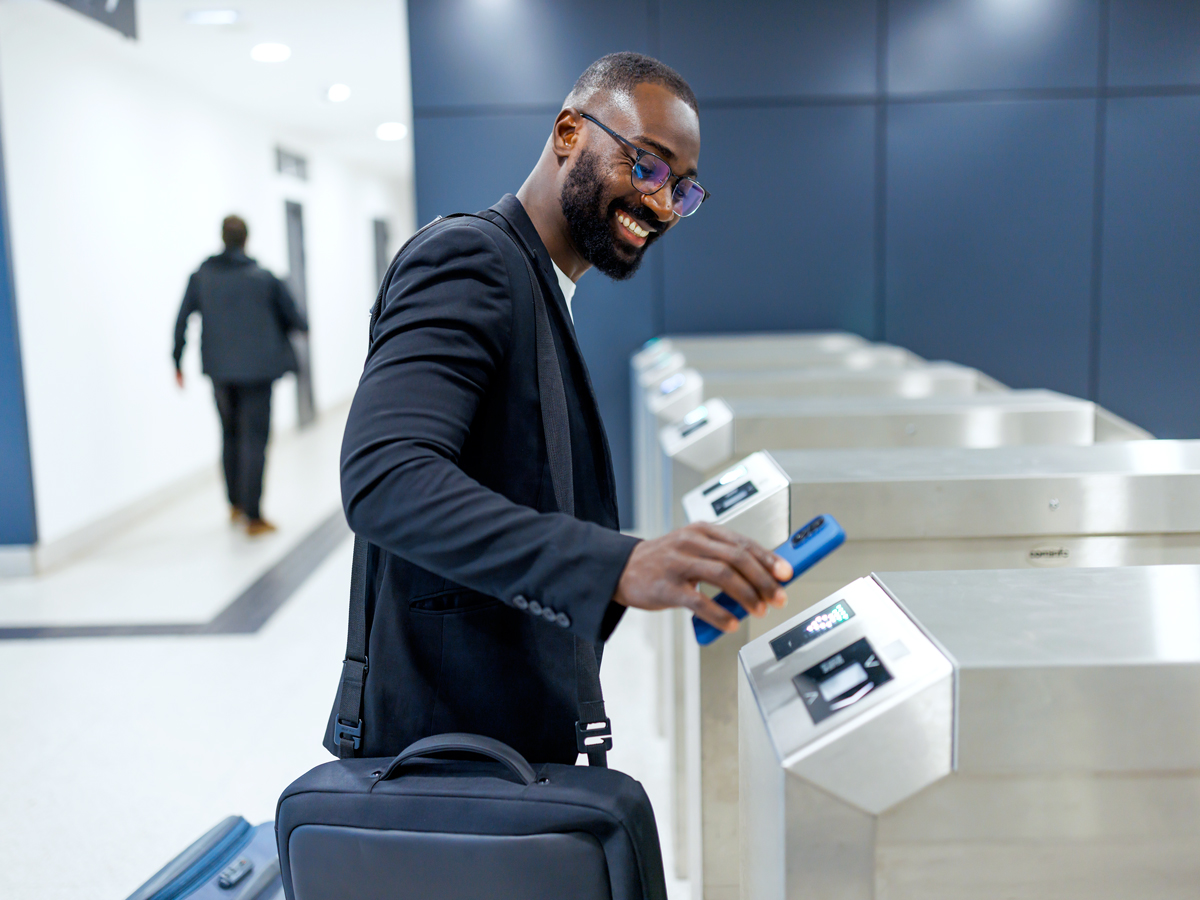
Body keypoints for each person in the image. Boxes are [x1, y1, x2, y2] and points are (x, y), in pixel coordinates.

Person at [328, 53, 793, 764]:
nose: (664, 204)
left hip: (498, 748)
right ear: (570, 132)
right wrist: (613, 564)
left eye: (685, 190)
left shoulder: (537, 286)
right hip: (443, 758)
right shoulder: (472, 261)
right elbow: (384, 477)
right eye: (648, 166)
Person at [173, 215, 308, 536]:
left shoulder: (202, 276)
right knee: (255, 440)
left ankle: (234, 504)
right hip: (259, 373)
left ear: (223, 238)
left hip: (220, 372)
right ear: (246, 239)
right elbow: (297, 319)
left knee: (230, 434)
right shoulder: (264, 277)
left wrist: (175, 359)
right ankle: (254, 515)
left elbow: (181, 319)